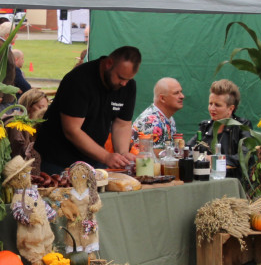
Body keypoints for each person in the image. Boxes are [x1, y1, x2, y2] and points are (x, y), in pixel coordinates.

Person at [34, 46, 141, 174]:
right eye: (120, 77)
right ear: (108, 64)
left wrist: (123, 154)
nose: (123, 84)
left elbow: (122, 124)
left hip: (94, 160)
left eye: (128, 79)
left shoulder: (128, 86)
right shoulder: (79, 80)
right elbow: (72, 130)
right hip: (57, 160)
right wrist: (106, 156)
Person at [197, 78, 251, 179]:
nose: (212, 108)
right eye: (210, 103)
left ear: (230, 109)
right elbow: (190, 149)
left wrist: (214, 160)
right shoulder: (205, 126)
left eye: (217, 105)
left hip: (234, 182)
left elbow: (245, 156)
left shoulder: (242, 126)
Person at [132, 77, 185, 147]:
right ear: (162, 98)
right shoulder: (152, 121)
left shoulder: (168, 118)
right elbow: (154, 155)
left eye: (181, 92)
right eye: (176, 93)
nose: (182, 96)